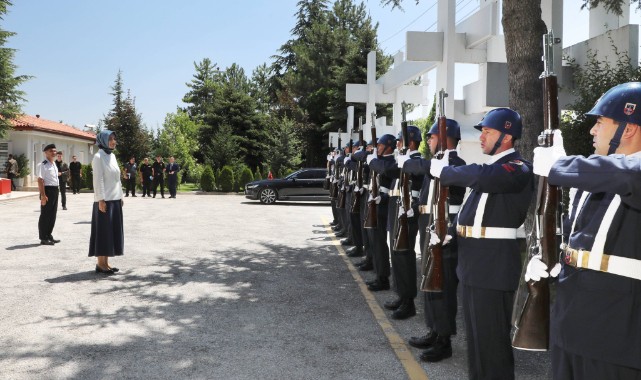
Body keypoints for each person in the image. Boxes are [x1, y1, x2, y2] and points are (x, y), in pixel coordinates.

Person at [530, 82, 641, 380]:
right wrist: (550, 259)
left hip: (616, 338)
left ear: (628, 128)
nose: (592, 131)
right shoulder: (595, 176)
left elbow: (628, 174)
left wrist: (560, 165)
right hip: (571, 325)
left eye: (600, 123)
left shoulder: (619, 173)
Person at [430, 108, 534, 379]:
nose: (482, 137)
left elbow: (484, 177)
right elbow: (473, 212)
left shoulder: (517, 168)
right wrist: (450, 233)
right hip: (474, 262)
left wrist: (447, 172)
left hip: (492, 266)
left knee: (492, 345)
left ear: (507, 136)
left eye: (488, 132)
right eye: (482, 132)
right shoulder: (490, 170)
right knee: (477, 342)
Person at [401, 119, 466, 362]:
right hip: (429, 225)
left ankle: (444, 340)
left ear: (445, 137)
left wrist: (410, 162)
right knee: (430, 279)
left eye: (432, 136)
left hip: (445, 231)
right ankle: (433, 329)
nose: (428, 140)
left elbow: (419, 168)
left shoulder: (455, 164)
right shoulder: (438, 164)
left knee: (443, 285)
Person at [365, 133, 398, 292]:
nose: (377, 148)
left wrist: (382, 198)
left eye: (380, 146)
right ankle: (379, 275)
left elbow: (390, 182)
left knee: (380, 243)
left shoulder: (391, 162)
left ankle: (383, 278)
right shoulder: (378, 160)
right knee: (374, 241)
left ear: (388, 147)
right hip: (375, 203)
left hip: (384, 205)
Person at [89, 130, 124, 275]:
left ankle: (106, 263)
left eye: (114, 139)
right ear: (103, 141)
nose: (113, 141)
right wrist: (101, 199)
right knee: (103, 233)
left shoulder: (113, 156)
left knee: (111, 233)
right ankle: (100, 264)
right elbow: (98, 180)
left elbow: (117, 178)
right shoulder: (98, 157)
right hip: (105, 201)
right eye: (110, 139)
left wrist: (121, 195)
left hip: (115, 199)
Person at [37, 144, 60, 245]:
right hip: (47, 191)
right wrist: (43, 195)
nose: (54, 153)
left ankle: (49, 235)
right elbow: (40, 180)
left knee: (52, 215)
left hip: (55, 190)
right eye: (51, 151)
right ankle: (43, 237)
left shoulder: (53, 164)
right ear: (46, 153)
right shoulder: (43, 164)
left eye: (55, 151)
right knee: (45, 215)